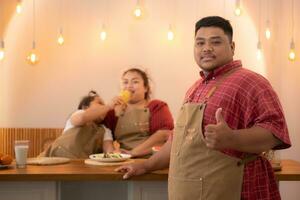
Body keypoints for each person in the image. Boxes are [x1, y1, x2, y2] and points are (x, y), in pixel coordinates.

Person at [116, 16, 291, 200]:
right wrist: (145, 166)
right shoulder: (195, 88)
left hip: (240, 190)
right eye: (200, 43)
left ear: (232, 47)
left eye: (215, 42)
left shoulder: (252, 82)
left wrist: (232, 138)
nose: (206, 48)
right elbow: (176, 142)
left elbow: (275, 132)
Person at [104, 68, 174, 157]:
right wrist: (112, 156)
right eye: (125, 82)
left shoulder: (157, 106)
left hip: (152, 158)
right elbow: (106, 136)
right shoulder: (113, 112)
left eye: (135, 82)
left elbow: (163, 134)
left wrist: (133, 153)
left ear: (146, 88)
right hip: (123, 158)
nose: (129, 86)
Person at [40, 90, 115, 158]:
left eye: (104, 105)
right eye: (100, 103)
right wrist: (108, 106)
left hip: (80, 164)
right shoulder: (79, 113)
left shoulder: (105, 130)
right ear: (85, 107)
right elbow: (81, 119)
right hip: (57, 156)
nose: (103, 107)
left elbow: (109, 150)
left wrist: (117, 153)